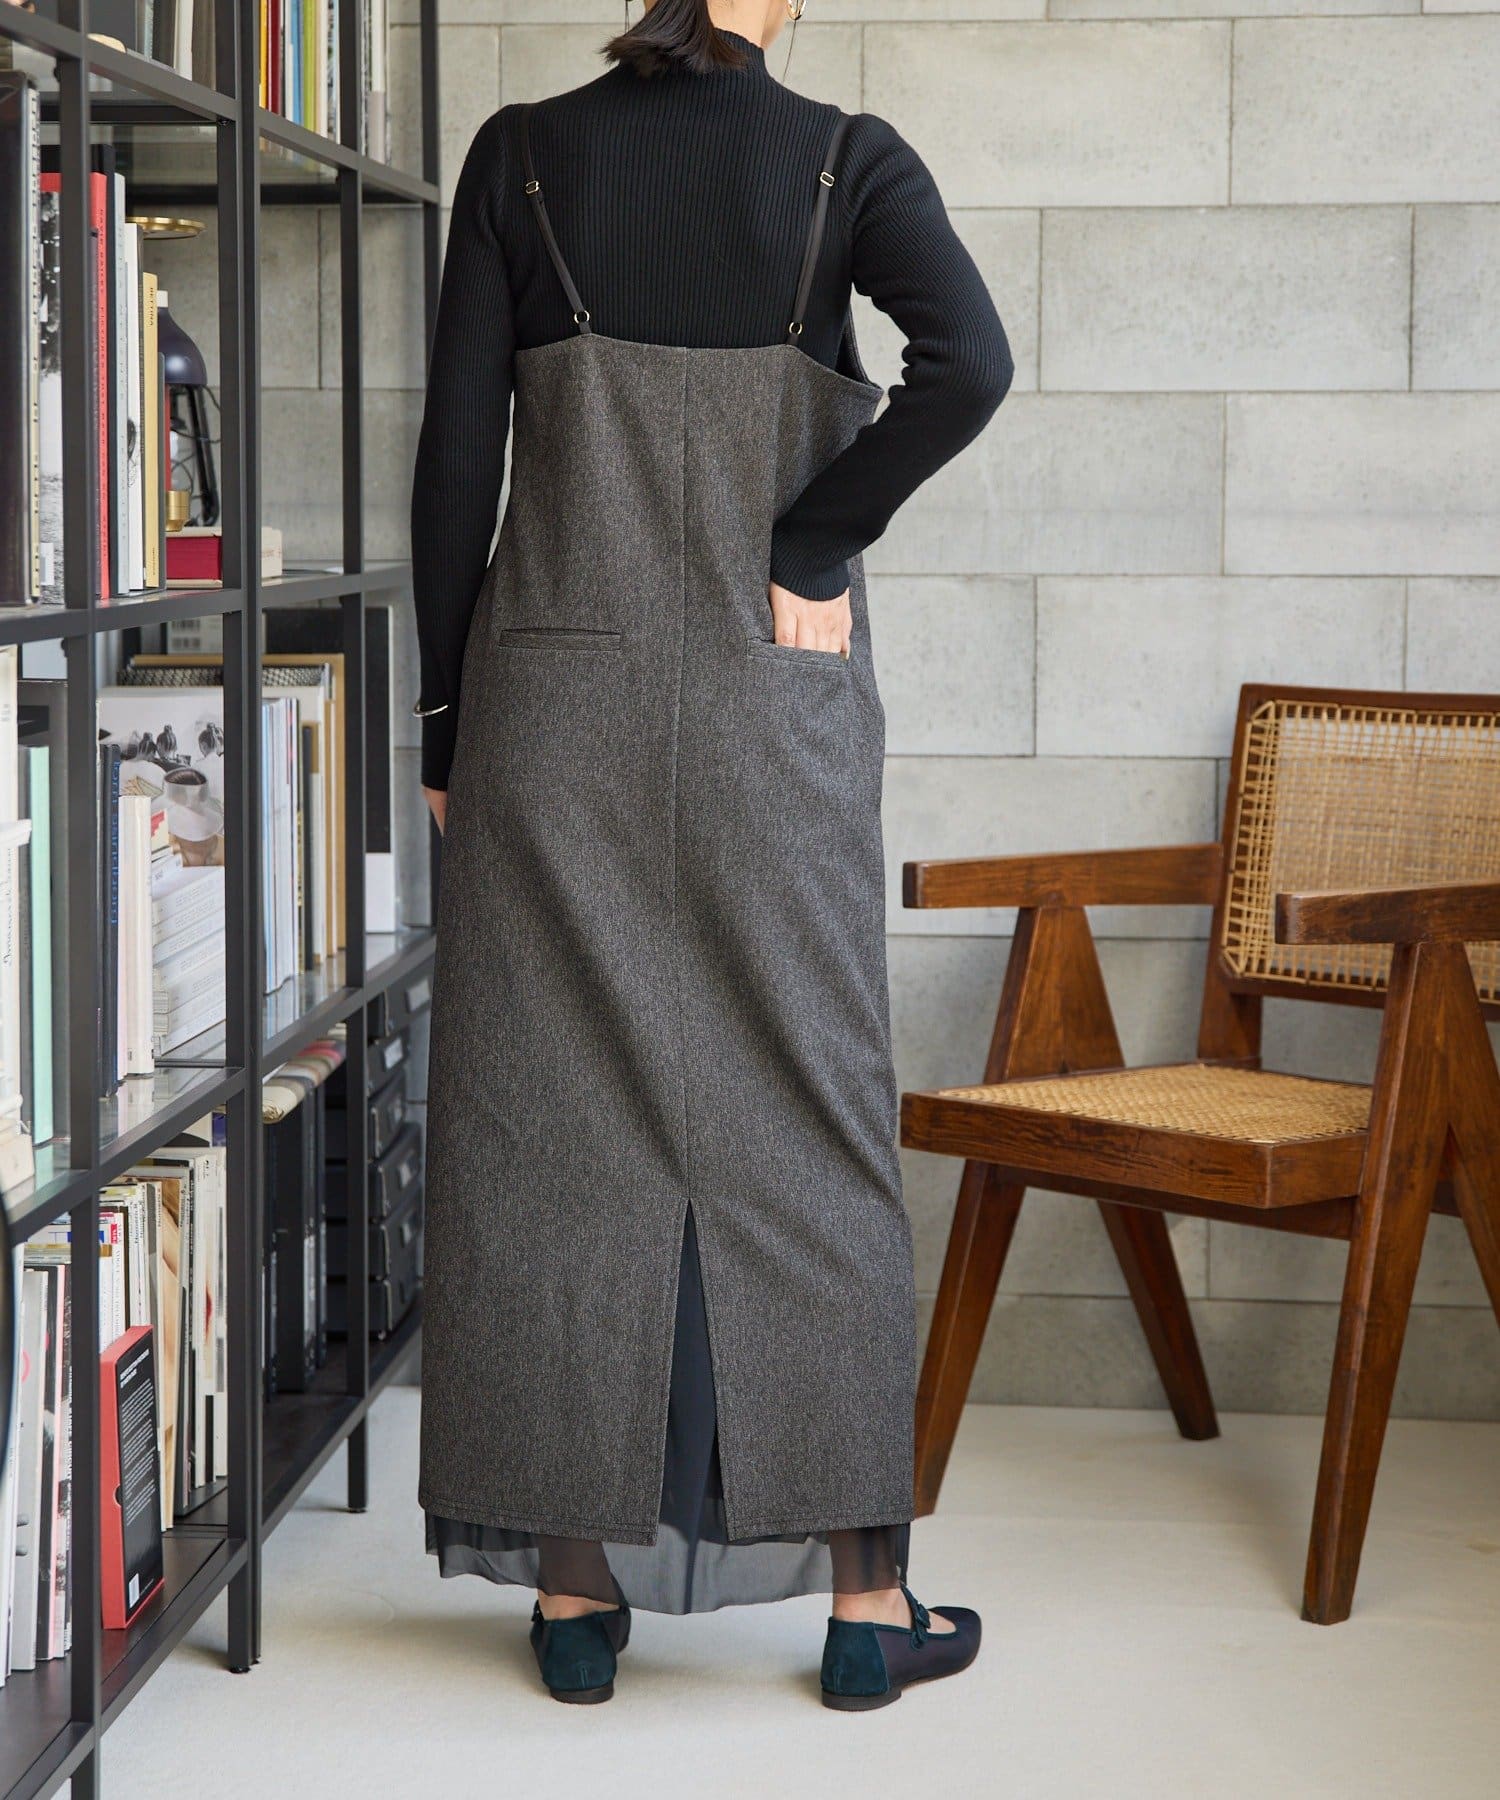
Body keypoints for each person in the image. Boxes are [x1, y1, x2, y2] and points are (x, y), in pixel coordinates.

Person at [408, 0, 1013, 1711]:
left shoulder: (521, 154)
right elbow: (971, 366)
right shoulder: (844, 161)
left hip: (551, 703)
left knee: (546, 1124)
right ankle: (866, 1603)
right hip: (776, 700)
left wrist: (446, 725)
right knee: (813, 1112)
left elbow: (459, 457)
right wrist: (813, 541)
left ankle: (572, 1597)